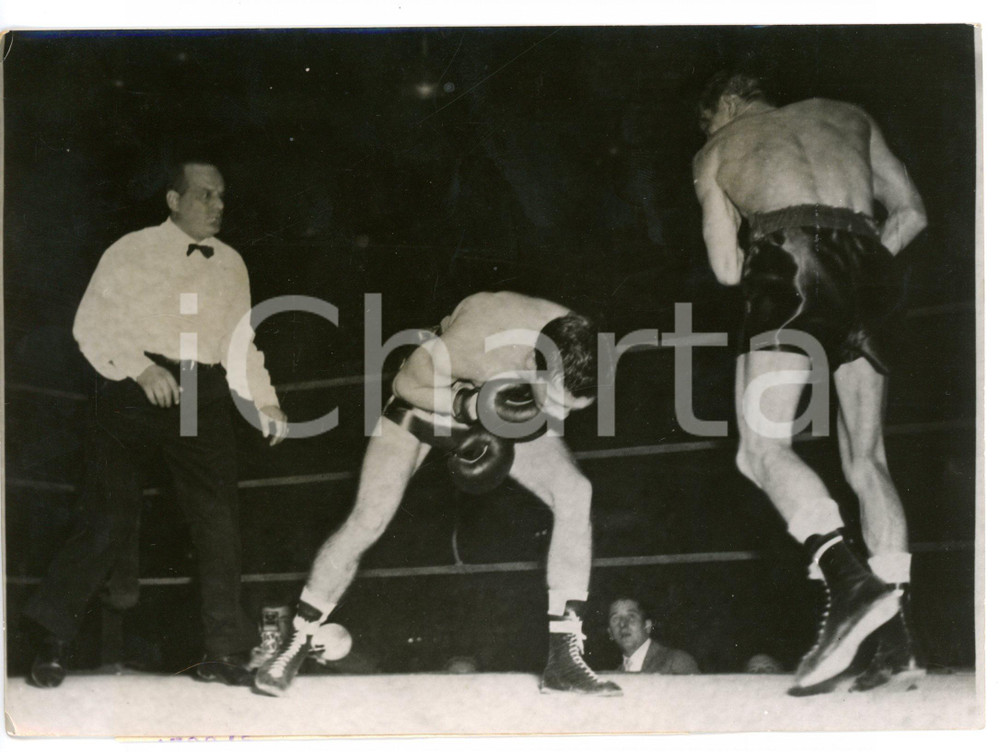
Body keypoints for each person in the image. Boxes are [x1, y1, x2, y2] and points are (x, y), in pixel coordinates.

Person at [253, 291, 621, 698]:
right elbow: (404, 383)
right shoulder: (479, 337)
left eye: (572, 407)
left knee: (575, 492)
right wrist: (467, 407)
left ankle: (564, 659)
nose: (561, 415)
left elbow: (559, 397)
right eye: (556, 400)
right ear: (530, 362)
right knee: (369, 517)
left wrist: (516, 406)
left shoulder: (579, 341)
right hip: (432, 395)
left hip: (501, 401)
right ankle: (296, 643)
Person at [693, 71, 927, 694]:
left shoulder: (716, 148)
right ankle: (896, 641)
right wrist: (857, 265)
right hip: (870, 261)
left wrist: (789, 260)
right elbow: (913, 212)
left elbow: (723, 270)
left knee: (759, 448)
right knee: (868, 459)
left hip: (790, 256)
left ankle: (848, 580)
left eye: (711, 117)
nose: (714, 129)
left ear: (727, 104)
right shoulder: (849, 111)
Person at [24, 158, 288, 689]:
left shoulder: (232, 263)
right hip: (130, 387)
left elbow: (241, 343)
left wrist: (266, 401)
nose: (217, 207)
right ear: (173, 200)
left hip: (202, 392)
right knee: (108, 512)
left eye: (220, 197)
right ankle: (52, 642)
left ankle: (223, 651)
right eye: (204, 196)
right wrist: (142, 369)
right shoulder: (131, 250)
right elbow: (91, 324)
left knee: (217, 520)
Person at [606, 597, 699, 675]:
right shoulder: (612, 679)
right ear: (610, 633)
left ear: (647, 626)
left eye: (631, 617)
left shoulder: (676, 662)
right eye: (615, 619)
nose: (622, 624)